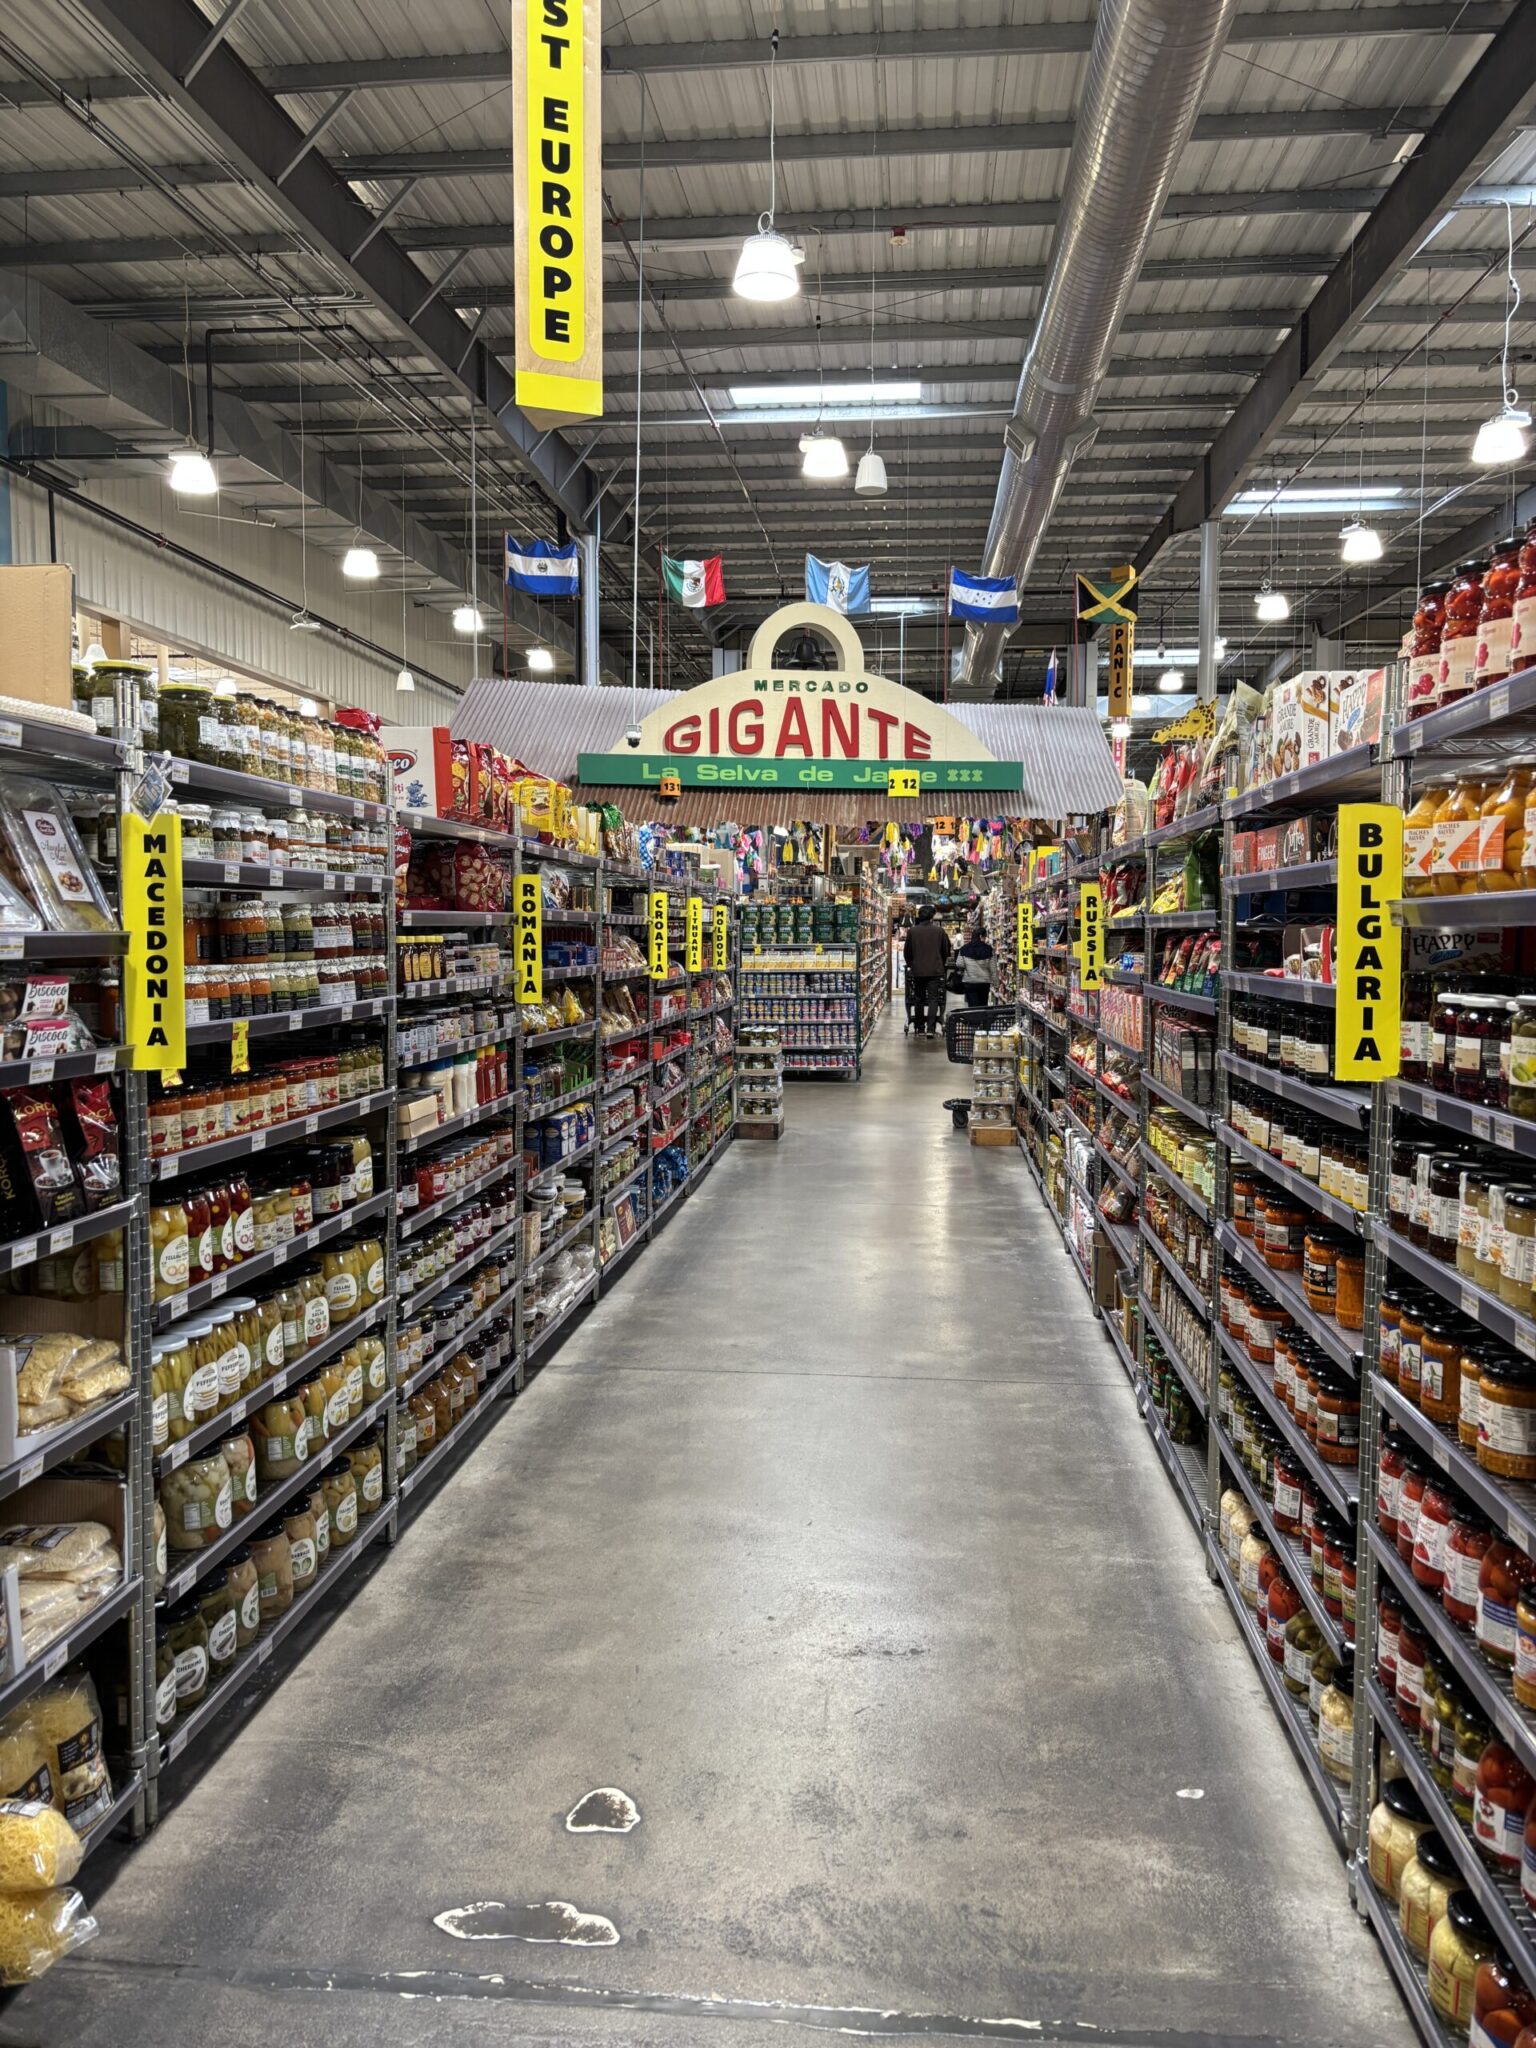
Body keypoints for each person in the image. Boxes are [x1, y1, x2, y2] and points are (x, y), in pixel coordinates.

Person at [903, 906, 951, 1036]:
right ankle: (931, 1029)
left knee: (919, 998)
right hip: (935, 970)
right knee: (933, 999)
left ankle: (920, 1028)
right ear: (932, 916)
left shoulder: (912, 931)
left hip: (918, 970)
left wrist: (911, 964)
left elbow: (907, 951)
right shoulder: (939, 931)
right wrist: (941, 962)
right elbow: (945, 950)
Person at [955, 923, 996, 1013]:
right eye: (985, 937)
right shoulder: (989, 949)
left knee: (972, 1007)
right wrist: (996, 983)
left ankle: (974, 1020)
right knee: (983, 1006)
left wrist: (968, 965)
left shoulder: (964, 948)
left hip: (969, 981)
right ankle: (982, 1020)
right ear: (981, 936)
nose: (985, 939)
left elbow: (959, 964)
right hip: (984, 982)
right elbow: (993, 968)